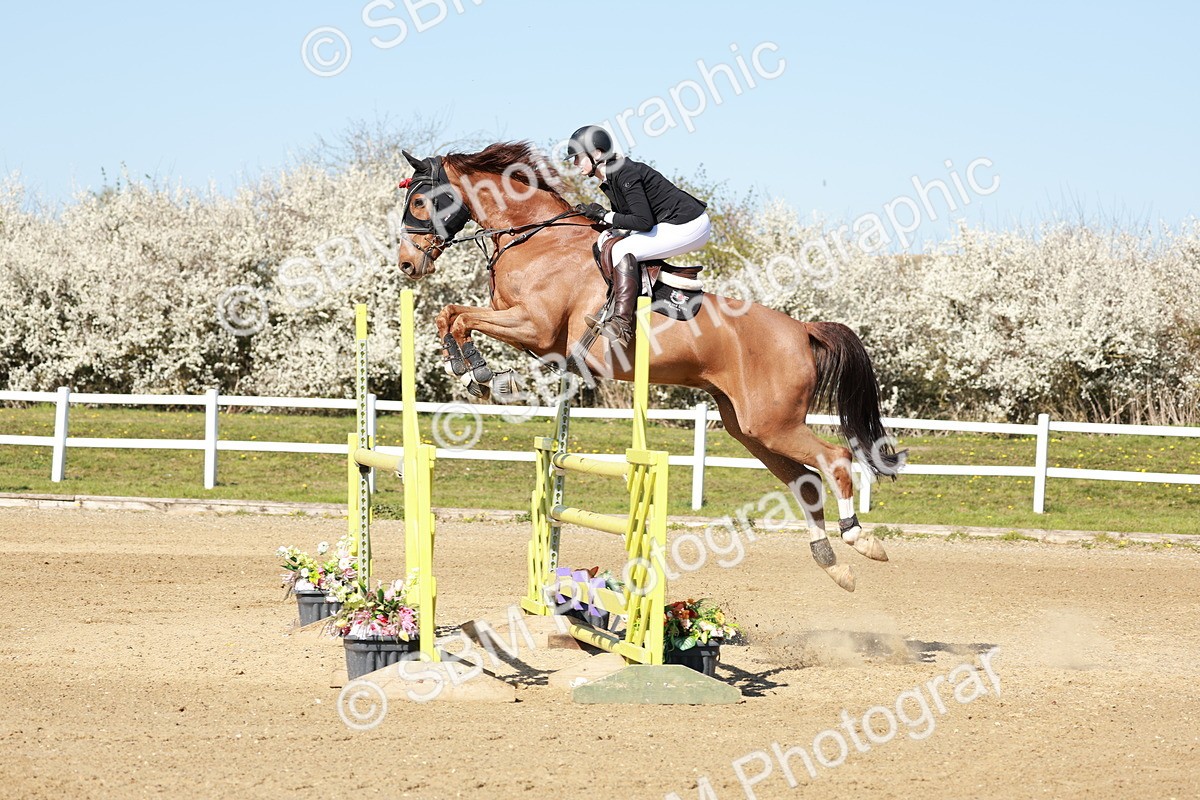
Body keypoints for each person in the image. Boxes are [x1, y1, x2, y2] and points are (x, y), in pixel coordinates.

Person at [566, 125, 711, 346]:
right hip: (672, 223)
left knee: (623, 249)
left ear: (596, 153)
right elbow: (627, 220)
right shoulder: (611, 178)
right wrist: (601, 219)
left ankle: (622, 325)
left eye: (577, 157)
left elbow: (643, 222)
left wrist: (605, 215)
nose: (575, 164)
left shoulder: (624, 172)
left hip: (689, 224)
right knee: (607, 240)